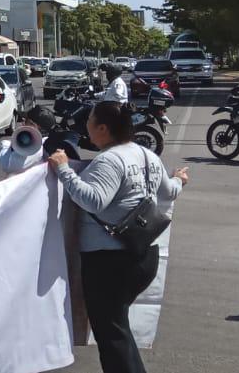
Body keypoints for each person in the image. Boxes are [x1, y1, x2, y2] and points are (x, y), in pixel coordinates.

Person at [48, 101, 188, 373]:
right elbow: (168, 191)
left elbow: (94, 200)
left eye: (89, 119)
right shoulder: (146, 155)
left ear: (102, 128)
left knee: (111, 334)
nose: (86, 124)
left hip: (110, 262)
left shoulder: (109, 161)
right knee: (117, 330)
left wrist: (64, 169)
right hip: (144, 256)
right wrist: (180, 180)